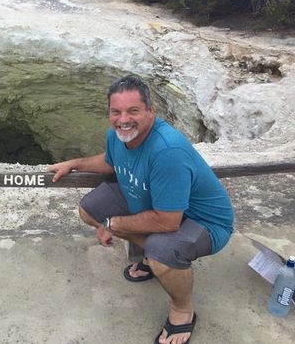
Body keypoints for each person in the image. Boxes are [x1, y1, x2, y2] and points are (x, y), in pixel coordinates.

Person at [48, 75, 233, 344]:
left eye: (133, 110)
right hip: (154, 201)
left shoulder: (167, 150)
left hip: (204, 222)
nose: (124, 119)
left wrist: (112, 224)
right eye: (116, 111)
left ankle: (182, 310)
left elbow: (169, 222)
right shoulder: (116, 135)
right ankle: (156, 258)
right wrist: (75, 164)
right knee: (90, 210)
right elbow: (111, 162)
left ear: (150, 112)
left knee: (162, 251)